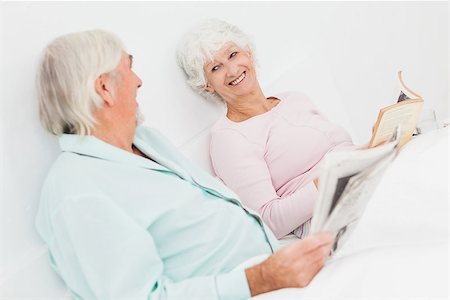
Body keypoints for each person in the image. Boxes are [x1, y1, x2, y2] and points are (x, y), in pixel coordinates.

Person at [34, 30, 335, 300]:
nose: (139, 81)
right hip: (257, 285)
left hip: (276, 268)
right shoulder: (75, 190)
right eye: (129, 68)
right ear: (105, 89)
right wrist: (259, 279)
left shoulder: (146, 141)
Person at [177, 19, 356, 239]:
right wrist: (334, 178)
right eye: (216, 68)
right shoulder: (229, 138)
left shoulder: (294, 99)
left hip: (361, 175)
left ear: (249, 53)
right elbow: (269, 221)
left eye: (233, 55)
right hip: (333, 207)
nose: (232, 70)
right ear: (206, 85)